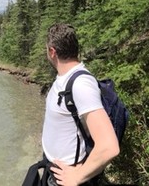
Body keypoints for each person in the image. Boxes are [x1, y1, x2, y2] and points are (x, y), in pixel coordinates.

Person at [41, 24, 119, 185]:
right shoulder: (65, 77)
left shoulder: (81, 84)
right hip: (54, 170)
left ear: (52, 52)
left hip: (65, 177)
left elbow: (109, 146)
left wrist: (77, 176)